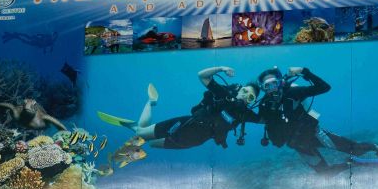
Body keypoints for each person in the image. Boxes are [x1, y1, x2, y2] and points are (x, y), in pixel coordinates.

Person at [97, 66, 259, 149]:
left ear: (252, 102)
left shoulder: (245, 114)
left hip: (192, 141)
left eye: (250, 97)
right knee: (140, 134)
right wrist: (222, 68)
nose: (245, 96)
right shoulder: (223, 94)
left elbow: (267, 120)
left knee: (151, 144)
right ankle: (151, 102)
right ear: (240, 89)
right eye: (245, 91)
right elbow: (202, 75)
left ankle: (138, 126)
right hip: (183, 125)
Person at [256, 67, 375, 172]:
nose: (272, 89)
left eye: (274, 84)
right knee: (325, 173)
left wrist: (304, 71)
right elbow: (260, 119)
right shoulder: (264, 104)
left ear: (281, 82)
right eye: (267, 86)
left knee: (356, 149)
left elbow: (324, 87)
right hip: (299, 145)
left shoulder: (293, 93)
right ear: (263, 88)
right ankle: (353, 163)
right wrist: (244, 106)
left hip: (314, 134)